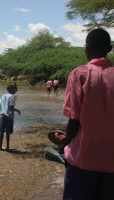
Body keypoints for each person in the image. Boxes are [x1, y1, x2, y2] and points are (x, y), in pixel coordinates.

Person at [61, 29, 114, 200]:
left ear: (87, 48)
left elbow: (74, 119)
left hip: (83, 159)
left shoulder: (79, 74)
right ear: (110, 48)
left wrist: (65, 141)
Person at [0, 85, 21, 151]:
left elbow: (1, 104)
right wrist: (17, 110)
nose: (15, 91)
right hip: (9, 116)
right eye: (14, 90)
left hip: (2, 115)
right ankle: (7, 147)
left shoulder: (3, 95)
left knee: (2, 132)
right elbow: (11, 107)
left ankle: (0, 147)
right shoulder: (11, 96)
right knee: (8, 133)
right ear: (11, 90)